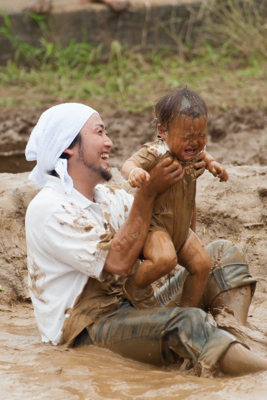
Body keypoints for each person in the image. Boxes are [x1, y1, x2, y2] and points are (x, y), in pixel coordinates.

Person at [25, 102, 267, 377]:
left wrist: (185, 184)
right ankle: (256, 372)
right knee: (188, 323)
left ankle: (237, 338)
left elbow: (178, 234)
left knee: (222, 255)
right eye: (100, 133)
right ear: (68, 145)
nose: (110, 142)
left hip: (131, 307)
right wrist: (149, 192)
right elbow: (118, 262)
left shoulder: (109, 198)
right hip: (87, 331)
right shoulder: (50, 208)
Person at [121, 88, 228, 310]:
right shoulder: (156, 151)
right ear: (162, 131)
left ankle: (186, 312)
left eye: (201, 135)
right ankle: (134, 285)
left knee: (202, 264)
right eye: (187, 137)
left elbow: (203, 153)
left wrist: (212, 163)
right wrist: (134, 173)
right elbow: (128, 163)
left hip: (180, 230)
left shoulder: (192, 151)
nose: (195, 143)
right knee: (164, 260)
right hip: (156, 227)